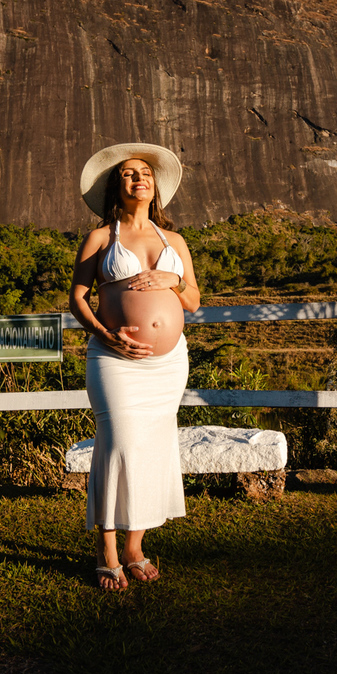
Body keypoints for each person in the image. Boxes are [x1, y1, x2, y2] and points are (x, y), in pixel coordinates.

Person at [69, 143, 201, 591]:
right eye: (127, 173)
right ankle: (108, 551)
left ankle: (134, 547)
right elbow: (78, 298)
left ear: (155, 185)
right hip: (114, 360)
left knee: (152, 448)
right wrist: (104, 335)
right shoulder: (101, 237)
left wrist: (173, 279)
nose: (137, 178)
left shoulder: (174, 241)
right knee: (120, 445)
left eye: (144, 172)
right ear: (116, 187)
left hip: (168, 364)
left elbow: (194, 301)